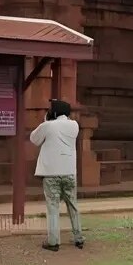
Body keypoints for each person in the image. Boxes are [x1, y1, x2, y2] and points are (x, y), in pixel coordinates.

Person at [30, 98, 83, 251]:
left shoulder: (48, 125)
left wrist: (46, 120)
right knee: (73, 205)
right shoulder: (74, 126)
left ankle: (53, 241)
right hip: (69, 172)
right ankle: (78, 238)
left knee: (53, 207)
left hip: (51, 172)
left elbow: (34, 139)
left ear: (53, 112)